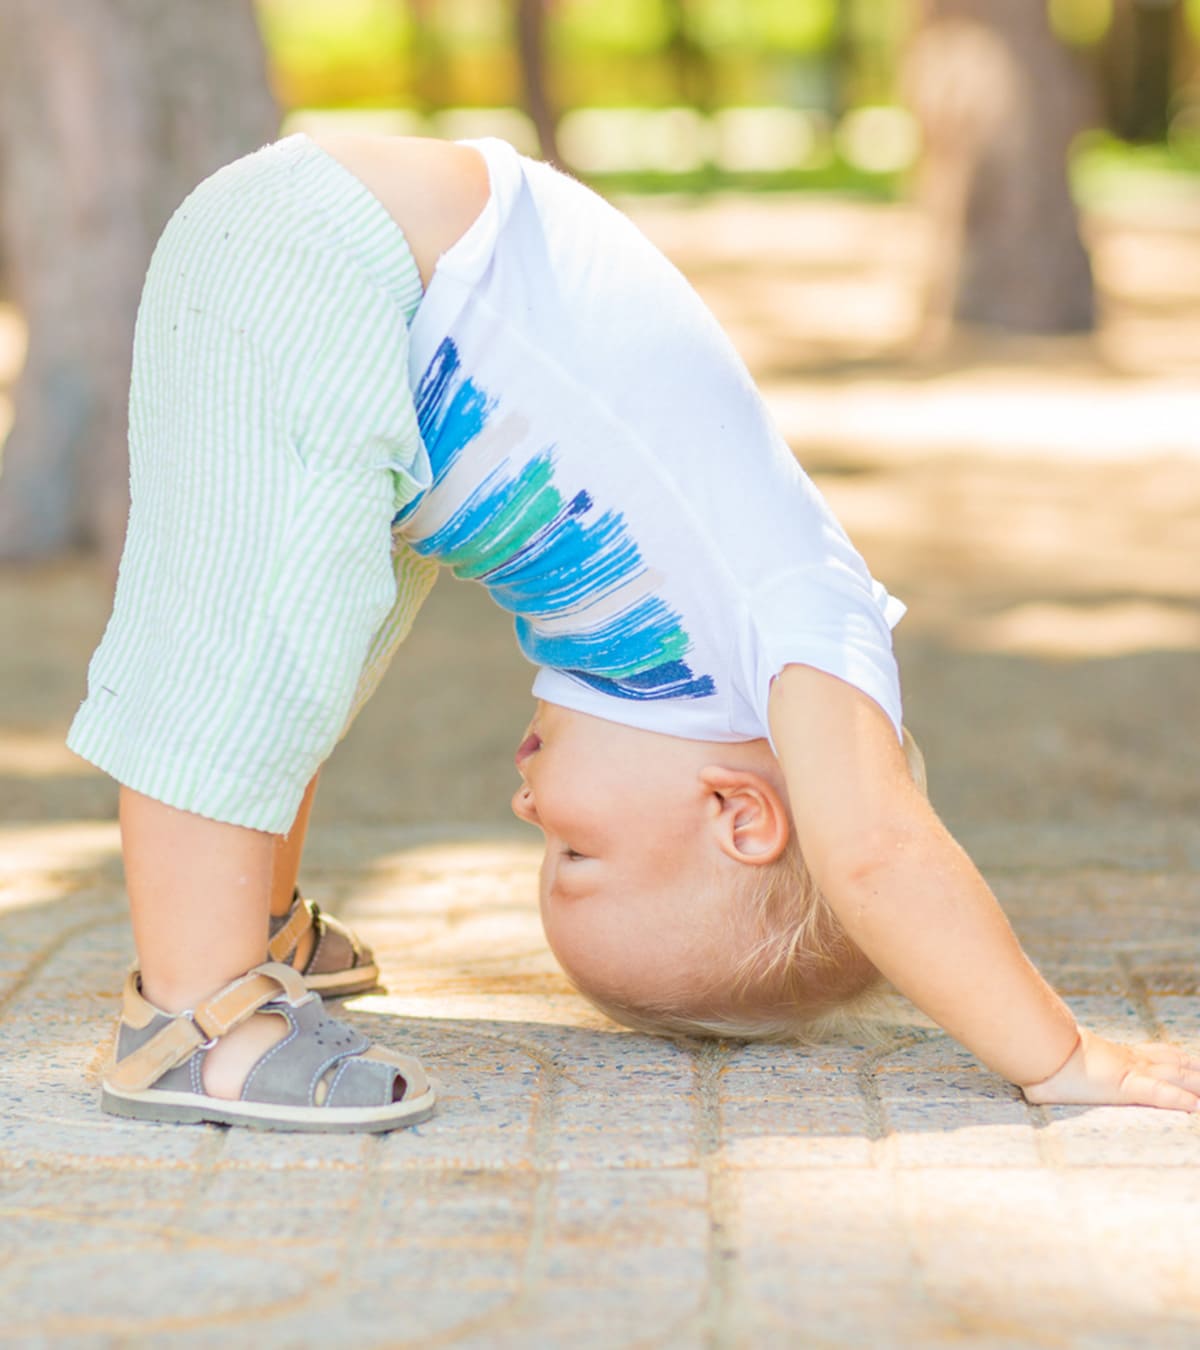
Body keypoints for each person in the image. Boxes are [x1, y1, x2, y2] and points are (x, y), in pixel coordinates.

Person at [67, 132, 1199, 1133]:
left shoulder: (707, 656)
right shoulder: (800, 633)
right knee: (252, 636)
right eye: (574, 851)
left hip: (367, 293)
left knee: (310, 647)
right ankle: (196, 1012)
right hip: (347, 265)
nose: (526, 809)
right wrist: (1061, 1054)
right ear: (740, 815)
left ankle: (249, 919)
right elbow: (882, 855)